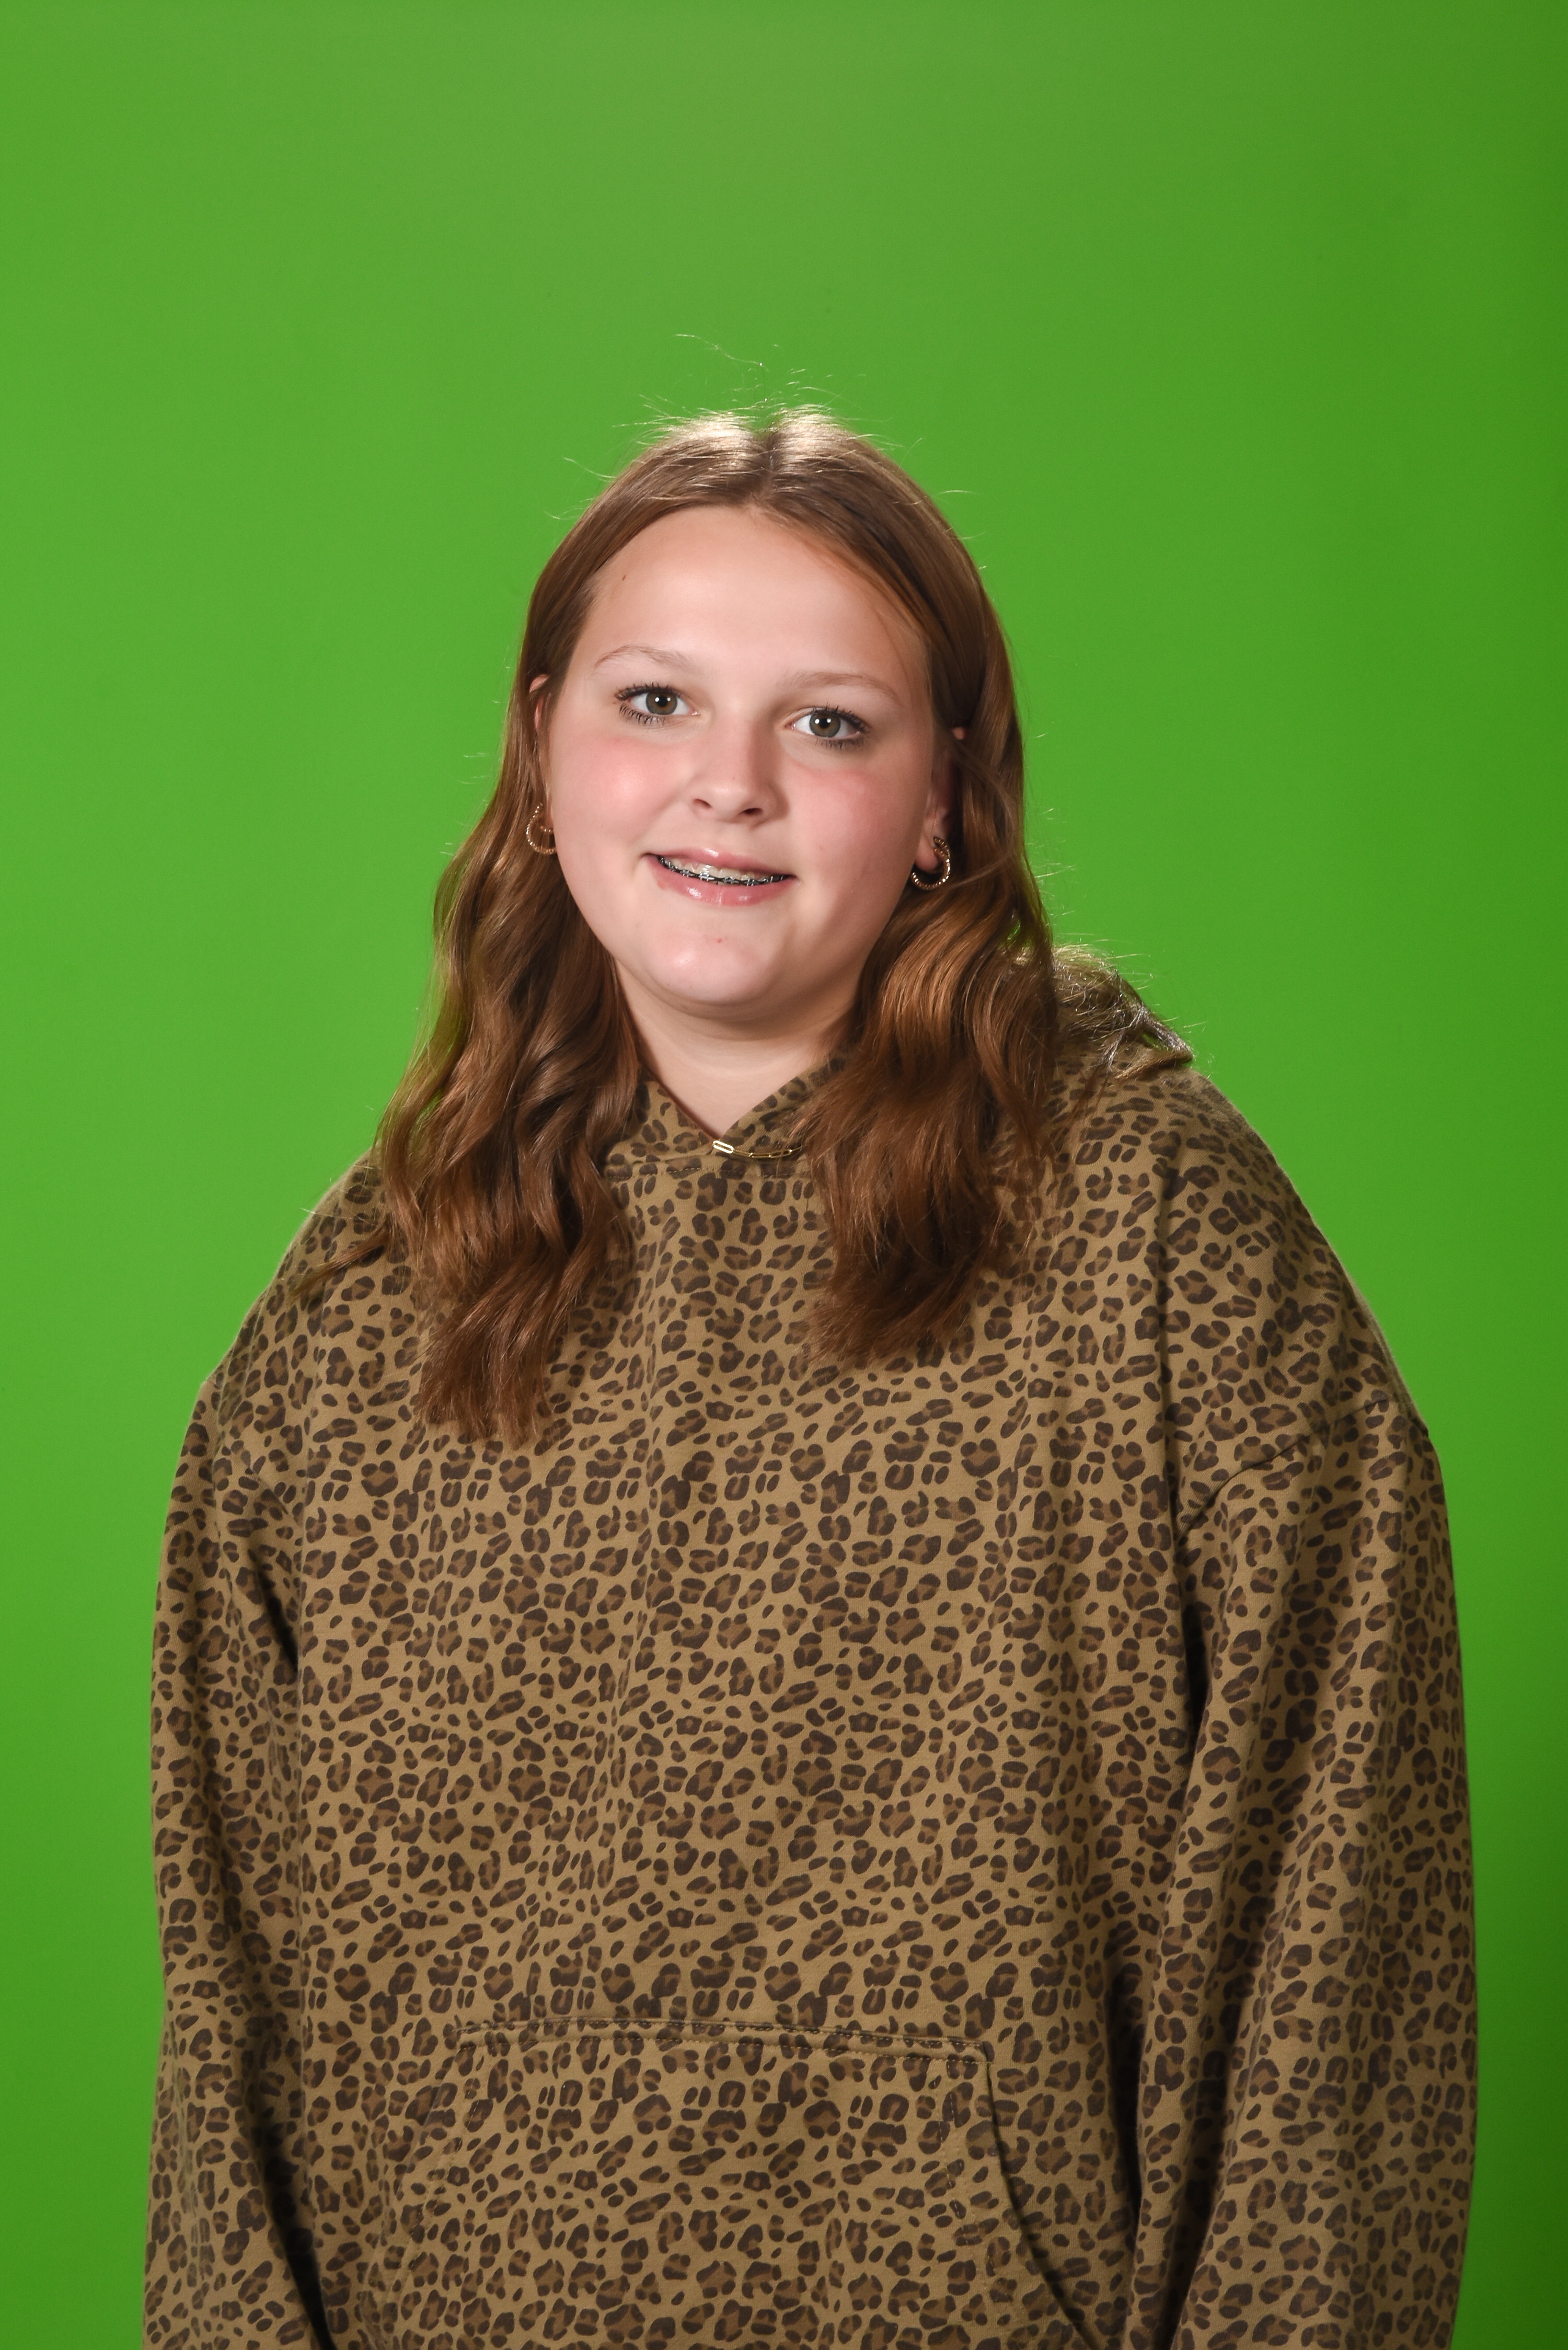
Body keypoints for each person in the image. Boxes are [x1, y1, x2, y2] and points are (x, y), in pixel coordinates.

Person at [145, 411, 1474, 2350]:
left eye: (831, 725)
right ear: (542, 754)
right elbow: (232, 2039)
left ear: (943, 801)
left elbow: (1340, 1953)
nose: (730, 786)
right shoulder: (357, 1321)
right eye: (656, 701)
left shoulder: (1151, 1234)